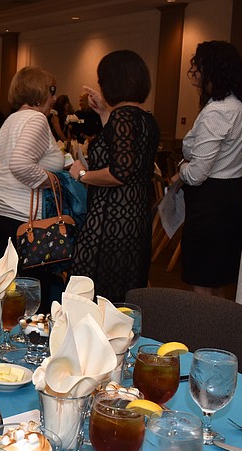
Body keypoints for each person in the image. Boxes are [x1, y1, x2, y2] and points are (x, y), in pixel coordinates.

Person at [69, 50, 160, 303]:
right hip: (134, 220)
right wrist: (103, 113)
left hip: (110, 223)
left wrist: (82, 174)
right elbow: (122, 151)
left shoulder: (122, 118)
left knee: (91, 297)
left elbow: (119, 172)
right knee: (121, 297)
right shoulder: (145, 119)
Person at [172, 41, 242, 297]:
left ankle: (202, 334)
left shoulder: (217, 112)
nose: (194, 72)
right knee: (220, 278)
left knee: (202, 279)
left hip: (212, 203)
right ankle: (219, 334)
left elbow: (197, 174)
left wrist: (181, 167)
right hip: (237, 197)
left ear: (212, 70)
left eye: (197, 66)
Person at [0, 66, 66, 311]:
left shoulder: (13, 119)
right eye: (52, 90)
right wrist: (54, 181)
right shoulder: (37, 119)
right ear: (40, 91)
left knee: (6, 286)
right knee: (30, 295)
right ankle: (29, 343)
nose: (54, 97)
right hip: (23, 218)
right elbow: (20, 164)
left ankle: (5, 339)